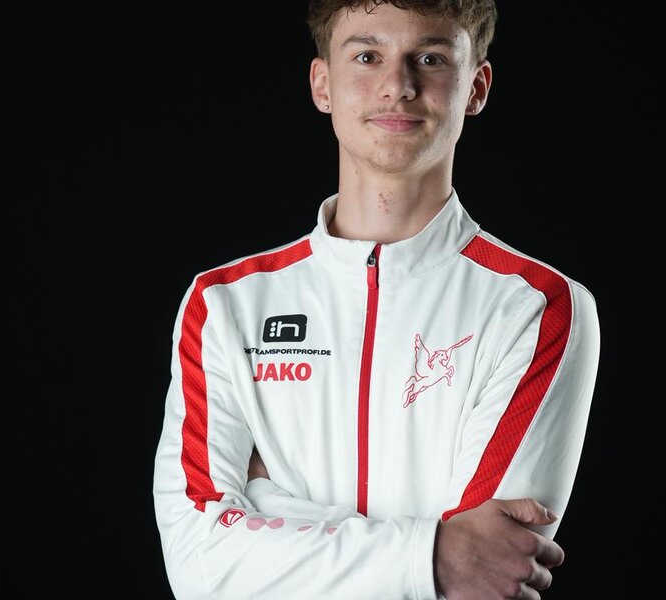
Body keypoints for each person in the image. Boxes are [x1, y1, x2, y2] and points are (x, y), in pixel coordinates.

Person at [153, 1, 600, 598]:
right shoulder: (224, 305)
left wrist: (266, 506)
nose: (398, 86)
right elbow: (197, 562)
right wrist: (432, 553)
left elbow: (488, 571)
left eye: (430, 59)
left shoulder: (537, 306)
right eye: (367, 56)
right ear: (323, 85)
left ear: (476, 87)